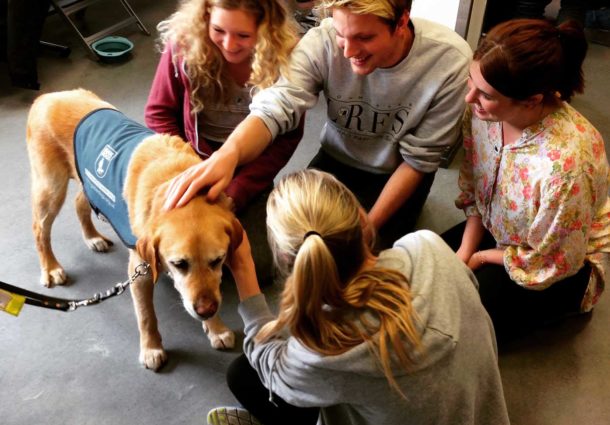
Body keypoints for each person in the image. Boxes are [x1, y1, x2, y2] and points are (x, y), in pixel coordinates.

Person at [162, 0, 473, 251]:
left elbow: (419, 159)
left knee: (357, 257)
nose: (348, 51)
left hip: (398, 173)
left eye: (364, 37)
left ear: (402, 21)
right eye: (341, 34)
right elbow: (276, 106)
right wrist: (227, 155)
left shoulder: (449, 62)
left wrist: (371, 224)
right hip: (338, 160)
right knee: (297, 245)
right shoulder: (320, 41)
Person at [207, 169, 510, 425]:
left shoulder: (323, 347)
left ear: (287, 259)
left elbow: (274, 373)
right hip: (482, 413)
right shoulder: (427, 246)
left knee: (245, 375)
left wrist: (244, 269)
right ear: (362, 218)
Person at [441, 19, 610, 337]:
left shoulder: (566, 167)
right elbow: (477, 188)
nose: (469, 98)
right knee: (422, 266)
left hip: (551, 266)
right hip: (500, 232)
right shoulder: (484, 114)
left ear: (532, 100)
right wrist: (465, 251)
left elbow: (556, 260)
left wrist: (477, 258)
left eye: (485, 94)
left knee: (452, 323)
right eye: (470, 82)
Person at [145, 0, 303, 283]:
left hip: (249, 167)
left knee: (263, 262)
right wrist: (189, 169)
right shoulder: (183, 44)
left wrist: (236, 192)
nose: (229, 44)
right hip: (192, 159)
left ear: (267, 29)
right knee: (173, 252)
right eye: (218, 30)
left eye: (243, 35)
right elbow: (158, 114)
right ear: (205, 16)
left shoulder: (289, 59)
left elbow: (288, 136)